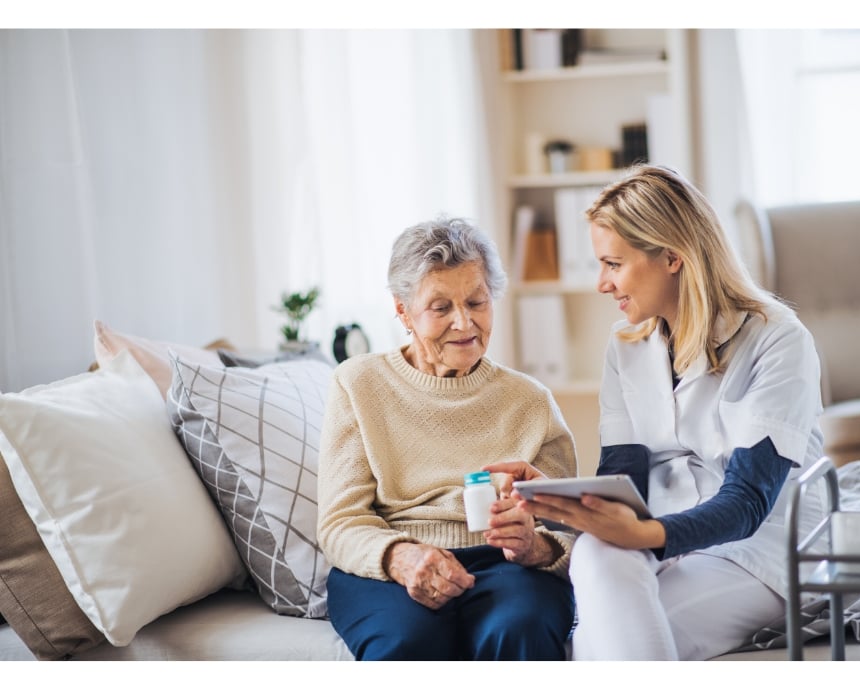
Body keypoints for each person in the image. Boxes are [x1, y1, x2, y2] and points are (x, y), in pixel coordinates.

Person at [486, 164, 826, 660]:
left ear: (671, 257)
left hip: (757, 551)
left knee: (597, 648)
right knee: (598, 552)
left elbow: (748, 502)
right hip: (661, 541)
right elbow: (624, 481)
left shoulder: (777, 339)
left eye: (613, 264)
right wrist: (563, 500)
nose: (602, 283)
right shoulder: (624, 346)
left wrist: (643, 534)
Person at [316, 216, 577, 661]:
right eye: (441, 308)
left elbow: (569, 530)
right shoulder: (358, 384)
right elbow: (340, 523)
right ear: (402, 310)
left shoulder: (530, 401)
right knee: (406, 643)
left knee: (520, 630)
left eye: (477, 301)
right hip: (393, 560)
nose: (464, 322)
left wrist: (536, 545)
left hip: (504, 564)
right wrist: (400, 557)